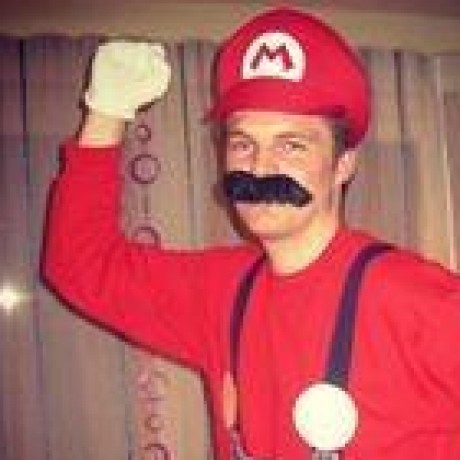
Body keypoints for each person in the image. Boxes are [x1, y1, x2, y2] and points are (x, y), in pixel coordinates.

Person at [42, 7, 460, 460]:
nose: (259, 168)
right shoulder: (220, 291)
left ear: (343, 165)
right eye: (243, 144)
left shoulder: (417, 299)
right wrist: (106, 111)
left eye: (291, 145)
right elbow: (80, 264)